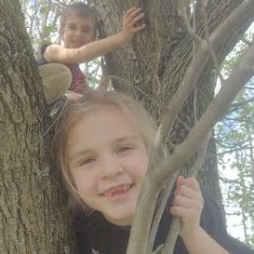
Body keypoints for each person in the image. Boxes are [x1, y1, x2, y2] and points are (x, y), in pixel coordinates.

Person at [52, 91, 254, 254]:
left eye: (124, 149)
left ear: (153, 154)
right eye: (87, 160)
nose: (110, 170)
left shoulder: (186, 204)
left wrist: (192, 232)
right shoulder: (78, 224)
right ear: (69, 177)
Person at [38, 3, 145, 103]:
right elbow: (79, 54)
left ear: (93, 39)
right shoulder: (51, 51)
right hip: (46, 108)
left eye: (86, 30)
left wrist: (105, 78)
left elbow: (93, 100)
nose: (78, 34)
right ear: (62, 32)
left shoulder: (79, 77)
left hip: (67, 118)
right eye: (72, 27)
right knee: (65, 77)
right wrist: (123, 36)